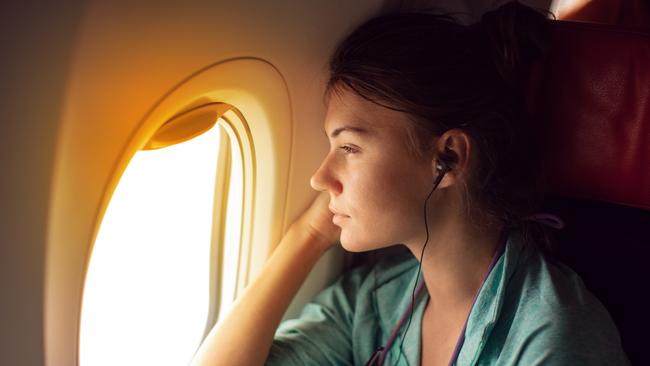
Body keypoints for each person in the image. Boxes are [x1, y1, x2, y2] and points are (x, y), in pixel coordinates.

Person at [191, 2, 630, 365]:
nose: (319, 177)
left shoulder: (553, 339)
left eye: (349, 149)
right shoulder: (378, 301)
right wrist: (304, 237)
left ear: (449, 157)